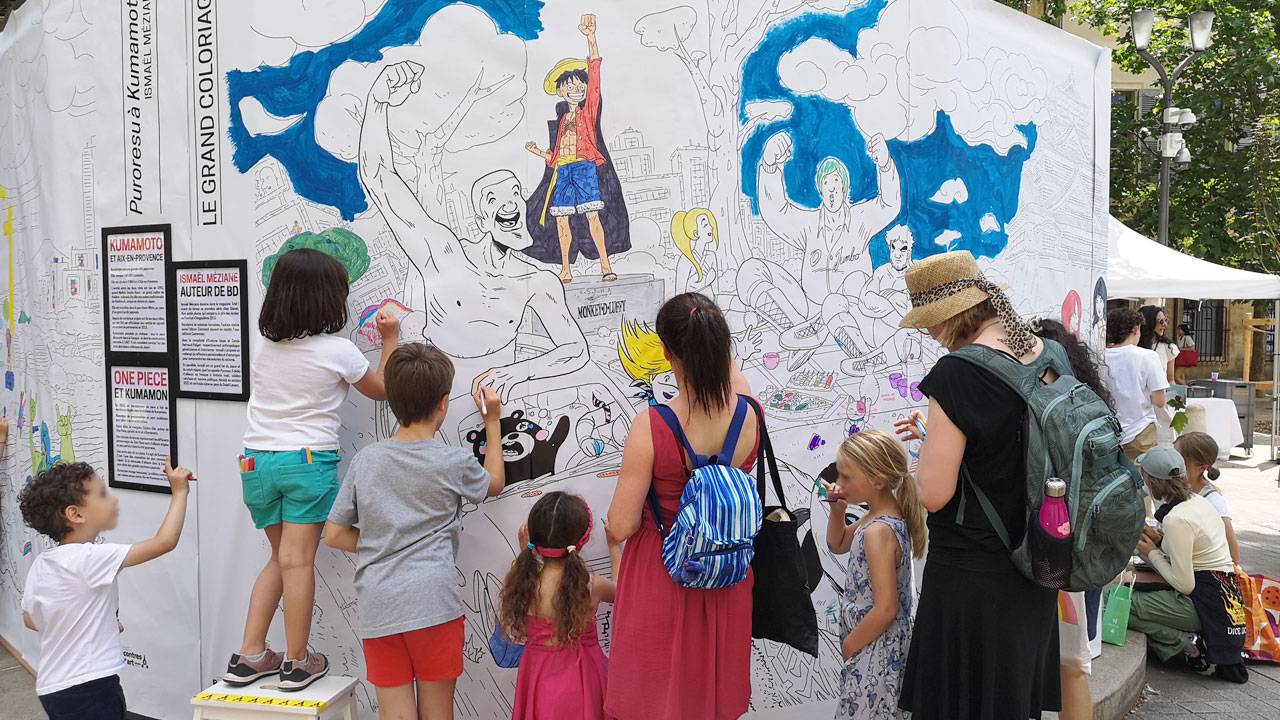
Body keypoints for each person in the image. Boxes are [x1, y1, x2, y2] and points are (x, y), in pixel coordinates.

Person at [357, 60, 593, 435]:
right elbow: (378, 178)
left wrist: (513, 373)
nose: (511, 202)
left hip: (497, 411)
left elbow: (574, 349)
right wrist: (378, 102)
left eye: (516, 193)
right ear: (479, 218)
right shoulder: (444, 254)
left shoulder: (537, 280)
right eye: (494, 197)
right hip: (429, 410)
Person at [890, 250, 1061, 719]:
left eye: (928, 321)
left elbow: (932, 493)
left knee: (962, 703)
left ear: (950, 315)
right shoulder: (1047, 353)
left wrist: (909, 467)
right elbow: (1008, 448)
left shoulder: (959, 371)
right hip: (1038, 559)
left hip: (974, 574)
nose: (928, 332)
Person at [226, 247, 400, 691]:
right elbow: (382, 390)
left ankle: (250, 655)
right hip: (304, 462)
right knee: (299, 561)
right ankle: (298, 661)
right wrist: (391, 341)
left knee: (281, 558)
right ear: (329, 300)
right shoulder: (337, 351)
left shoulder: (263, 347)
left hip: (255, 463)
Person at [324, 344, 504, 719]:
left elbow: (335, 535)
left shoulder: (367, 460)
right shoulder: (453, 461)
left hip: (380, 605)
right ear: (442, 403)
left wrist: (380, 542)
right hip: (433, 602)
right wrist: (492, 421)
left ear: (392, 403)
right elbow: (494, 484)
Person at [605, 292, 759, 720]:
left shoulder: (652, 424)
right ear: (721, 345)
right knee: (710, 697)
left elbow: (620, 524)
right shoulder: (749, 414)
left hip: (664, 575)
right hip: (727, 579)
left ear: (666, 352)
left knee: (658, 700)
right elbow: (733, 378)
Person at [19, 459, 193, 720]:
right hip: (90, 686)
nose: (113, 500)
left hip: (52, 687)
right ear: (75, 514)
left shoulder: (42, 563)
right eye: (102, 494)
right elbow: (164, 542)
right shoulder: (91, 557)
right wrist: (179, 492)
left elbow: (30, 618)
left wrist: (93, 623)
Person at [738, 130, 900, 335]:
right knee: (750, 270)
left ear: (845, 187)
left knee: (845, 293)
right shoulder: (808, 224)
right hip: (810, 311)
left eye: (836, 182)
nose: (832, 189)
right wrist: (770, 166)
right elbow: (776, 211)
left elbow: (889, 204)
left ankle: (825, 334)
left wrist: (885, 165)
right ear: (820, 190)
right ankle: (798, 332)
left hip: (851, 314)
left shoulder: (861, 220)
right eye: (826, 183)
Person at [1032, 318, 1113, 720]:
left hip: (1055, 553)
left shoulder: (1048, 410)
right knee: (1074, 662)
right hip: (1086, 551)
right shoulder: (1087, 404)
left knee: (1068, 664)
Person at [821, 430, 926, 720]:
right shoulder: (881, 516)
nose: (839, 483)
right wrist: (838, 512)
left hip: (875, 650)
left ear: (877, 481)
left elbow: (886, 607)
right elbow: (838, 544)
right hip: (881, 647)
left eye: (846, 477)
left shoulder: (878, 531)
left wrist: (849, 645)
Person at [524, 14, 629, 283]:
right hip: (563, 171)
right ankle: (565, 268)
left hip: (584, 168)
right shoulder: (562, 121)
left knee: (592, 215)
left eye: (579, 85)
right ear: (560, 91)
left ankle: (605, 265)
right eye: (569, 86)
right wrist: (539, 152)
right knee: (562, 220)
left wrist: (591, 38)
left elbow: (594, 71)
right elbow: (556, 156)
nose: (575, 89)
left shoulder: (588, 112)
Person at [1130, 446, 1247, 683]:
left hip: (1203, 606)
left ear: (1152, 481)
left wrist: (1151, 552)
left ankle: (1188, 644)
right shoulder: (1198, 501)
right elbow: (1192, 554)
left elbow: (1184, 584)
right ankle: (1189, 642)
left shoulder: (1176, 518)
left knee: (1117, 603)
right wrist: (1159, 541)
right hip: (1224, 601)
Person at [499, 492, 622, 720]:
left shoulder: (525, 583)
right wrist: (614, 546)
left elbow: (523, 569)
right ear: (582, 541)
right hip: (583, 678)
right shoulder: (591, 585)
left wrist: (525, 551)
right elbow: (622, 591)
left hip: (538, 675)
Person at [1104, 307, 1169, 462]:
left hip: (1107, 432)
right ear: (1135, 329)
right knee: (1142, 480)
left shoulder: (1101, 356)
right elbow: (1160, 401)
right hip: (1140, 431)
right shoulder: (1148, 357)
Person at [1173, 432, 1239, 565]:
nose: (1172, 462)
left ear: (1202, 467)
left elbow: (1233, 555)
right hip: (1182, 567)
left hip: (1203, 574)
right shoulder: (1173, 486)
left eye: (1179, 459)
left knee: (1126, 578)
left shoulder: (1212, 500)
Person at [1139, 305, 1178, 384]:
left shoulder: (1168, 347)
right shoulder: (1134, 347)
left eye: (1165, 320)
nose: (1164, 324)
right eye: (1161, 321)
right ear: (1149, 323)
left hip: (1159, 394)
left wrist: (1174, 395)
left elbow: (1170, 379)